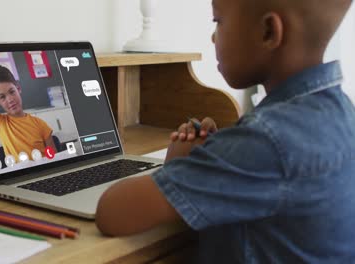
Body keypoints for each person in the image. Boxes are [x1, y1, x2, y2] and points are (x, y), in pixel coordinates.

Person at [95, 0, 355, 262]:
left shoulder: (265, 140)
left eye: (217, 21)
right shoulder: (342, 113)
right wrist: (219, 154)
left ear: (268, 32)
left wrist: (181, 165)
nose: (212, 36)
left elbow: (112, 213)